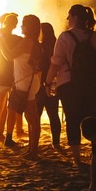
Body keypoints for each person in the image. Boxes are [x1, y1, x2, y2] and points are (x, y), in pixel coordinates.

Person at [44, 4, 96, 169]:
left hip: (70, 85)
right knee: (92, 118)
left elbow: (56, 62)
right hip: (94, 85)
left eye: (69, 16)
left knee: (72, 119)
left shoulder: (65, 37)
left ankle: (77, 158)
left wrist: (48, 82)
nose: (67, 19)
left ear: (76, 18)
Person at [6, 13, 43, 160]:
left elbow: (9, 55)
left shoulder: (27, 41)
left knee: (33, 118)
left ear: (29, 27)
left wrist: (0, 40)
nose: (21, 26)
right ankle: (31, 149)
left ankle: (33, 151)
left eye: (23, 24)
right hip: (29, 82)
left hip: (25, 83)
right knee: (31, 117)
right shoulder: (33, 42)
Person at [0, 13, 21, 147]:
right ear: (15, 25)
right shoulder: (17, 39)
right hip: (13, 75)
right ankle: (8, 137)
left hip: (0, 74)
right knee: (11, 108)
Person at [37, 22, 63, 150]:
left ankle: (34, 142)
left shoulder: (40, 47)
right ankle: (56, 142)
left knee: (36, 114)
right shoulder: (56, 46)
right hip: (54, 83)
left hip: (41, 83)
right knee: (53, 114)